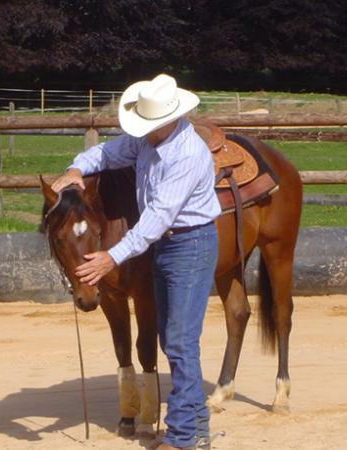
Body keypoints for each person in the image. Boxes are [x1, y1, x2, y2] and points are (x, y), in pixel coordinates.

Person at [52, 73, 220, 450]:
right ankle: (197, 428)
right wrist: (77, 168)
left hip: (189, 244)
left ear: (167, 120)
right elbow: (108, 153)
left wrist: (112, 256)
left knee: (178, 340)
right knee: (173, 338)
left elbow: (158, 217)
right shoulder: (148, 140)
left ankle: (181, 437)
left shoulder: (187, 155)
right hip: (167, 246)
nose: (142, 132)